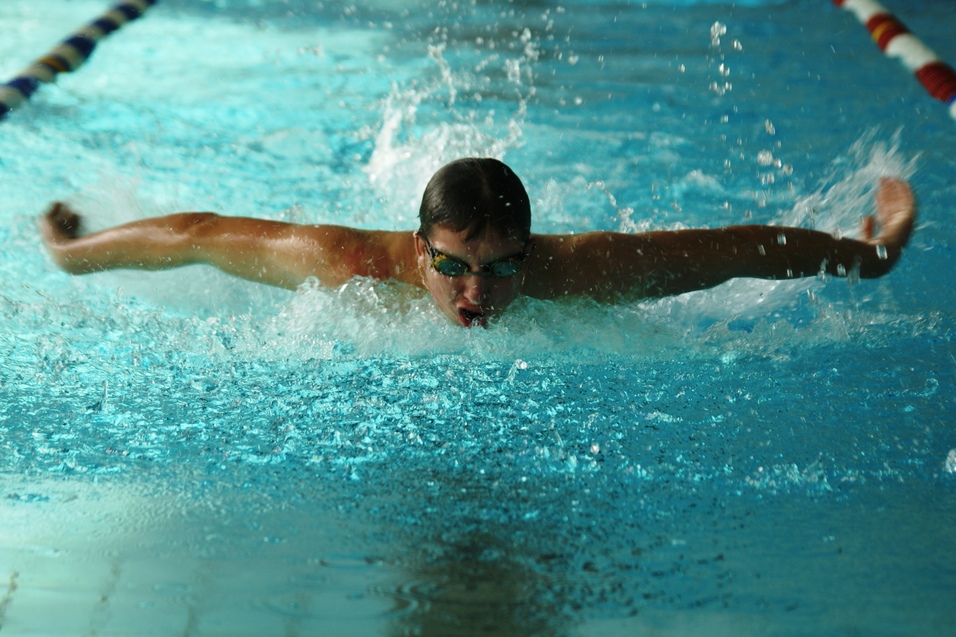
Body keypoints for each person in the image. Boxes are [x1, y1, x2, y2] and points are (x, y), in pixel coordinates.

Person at [40, 157, 916, 328]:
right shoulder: (348, 264)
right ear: (418, 250)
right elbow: (197, 235)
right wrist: (72, 254)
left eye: (501, 271)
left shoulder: (581, 273)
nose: (475, 297)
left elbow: (736, 247)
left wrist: (869, 255)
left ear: (530, 255)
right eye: (454, 267)